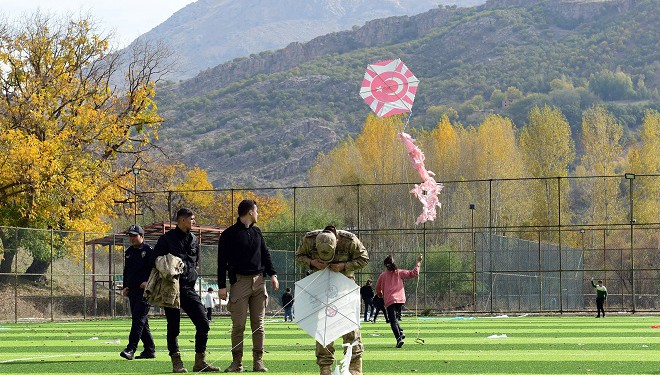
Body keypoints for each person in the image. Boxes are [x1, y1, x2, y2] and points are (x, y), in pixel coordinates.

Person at [296, 225, 369, 375]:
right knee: (323, 328)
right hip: (321, 287)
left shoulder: (350, 240)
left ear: (336, 241)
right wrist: (312, 263)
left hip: (344, 288)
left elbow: (364, 258)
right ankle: (325, 367)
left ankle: (354, 367)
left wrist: (344, 265)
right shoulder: (309, 239)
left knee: (350, 327)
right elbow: (299, 256)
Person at [152, 208, 219, 373]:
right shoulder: (166, 239)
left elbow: (194, 262)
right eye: (192, 219)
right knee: (173, 327)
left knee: (203, 323)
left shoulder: (194, 239)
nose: (194, 222)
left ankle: (200, 362)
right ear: (182, 220)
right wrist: (167, 265)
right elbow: (154, 260)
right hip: (171, 288)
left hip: (188, 288)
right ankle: (176, 362)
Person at [218, 199, 279, 373]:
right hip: (240, 283)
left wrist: (273, 275)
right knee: (238, 325)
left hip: (260, 282)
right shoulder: (229, 234)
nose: (258, 214)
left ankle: (258, 362)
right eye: (256, 211)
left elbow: (265, 255)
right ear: (250, 212)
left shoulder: (257, 232)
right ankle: (236, 363)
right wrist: (222, 285)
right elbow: (221, 261)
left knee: (258, 325)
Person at [119, 224, 156, 360]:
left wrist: (148, 282)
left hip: (145, 291)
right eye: (130, 235)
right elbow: (126, 271)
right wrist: (125, 286)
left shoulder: (148, 251)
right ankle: (149, 349)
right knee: (141, 320)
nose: (132, 238)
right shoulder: (129, 252)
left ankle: (131, 348)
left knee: (138, 319)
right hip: (132, 291)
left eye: (134, 235)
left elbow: (155, 270)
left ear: (142, 236)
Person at [375, 254, 422, 348]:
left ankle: (398, 339)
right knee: (395, 317)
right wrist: (418, 262)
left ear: (385, 265)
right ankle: (400, 331)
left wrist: (381, 295)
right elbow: (414, 273)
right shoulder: (399, 272)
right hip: (400, 299)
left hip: (389, 300)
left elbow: (377, 289)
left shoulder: (382, 275)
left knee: (392, 320)